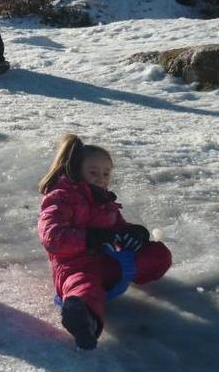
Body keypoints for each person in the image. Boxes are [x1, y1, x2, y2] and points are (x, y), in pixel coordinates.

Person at [37, 134, 172, 350]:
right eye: (93, 173)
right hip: (74, 266)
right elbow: (52, 237)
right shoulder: (61, 198)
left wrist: (134, 233)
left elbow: (117, 229)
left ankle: (134, 271)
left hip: (108, 261)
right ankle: (83, 320)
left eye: (106, 173)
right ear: (75, 170)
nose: (101, 179)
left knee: (157, 253)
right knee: (85, 288)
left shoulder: (104, 200)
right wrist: (91, 237)